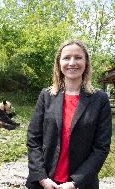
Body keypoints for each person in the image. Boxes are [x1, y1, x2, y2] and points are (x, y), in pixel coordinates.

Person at [26, 39, 112, 189]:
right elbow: (33, 139)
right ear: (59, 63)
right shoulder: (46, 96)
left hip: (81, 184)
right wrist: (42, 178)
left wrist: (76, 182)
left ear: (86, 63)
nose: (72, 62)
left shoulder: (100, 99)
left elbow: (101, 147)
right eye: (66, 58)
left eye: (78, 57)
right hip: (45, 182)